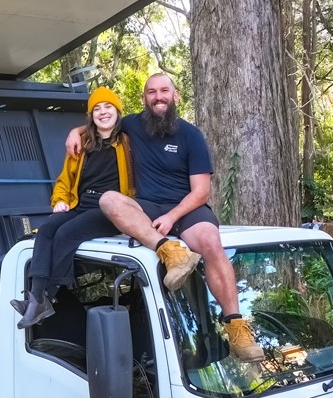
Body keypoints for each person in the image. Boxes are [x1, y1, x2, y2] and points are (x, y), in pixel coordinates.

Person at [66, 72, 263, 362]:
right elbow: (99, 121)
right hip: (146, 204)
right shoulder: (132, 124)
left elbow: (201, 192)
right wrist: (75, 132)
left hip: (186, 206)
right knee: (109, 199)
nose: (158, 97)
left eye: (164, 91)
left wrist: (172, 217)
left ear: (175, 96)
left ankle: (236, 327)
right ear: (144, 98)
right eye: (151, 92)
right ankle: (169, 252)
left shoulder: (190, 135)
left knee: (209, 241)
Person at [14, 87, 135, 328]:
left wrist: (74, 129)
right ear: (91, 116)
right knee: (47, 229)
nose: (103, 112)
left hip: (110, 210)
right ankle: (36, 297)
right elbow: (63, 181)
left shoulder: (128, 141)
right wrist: (59, 200)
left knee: (67, 233)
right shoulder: (82, 145)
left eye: (108, 107)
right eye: (96, 109)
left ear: (117, 111)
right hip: (80, 205)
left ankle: (46, 296)